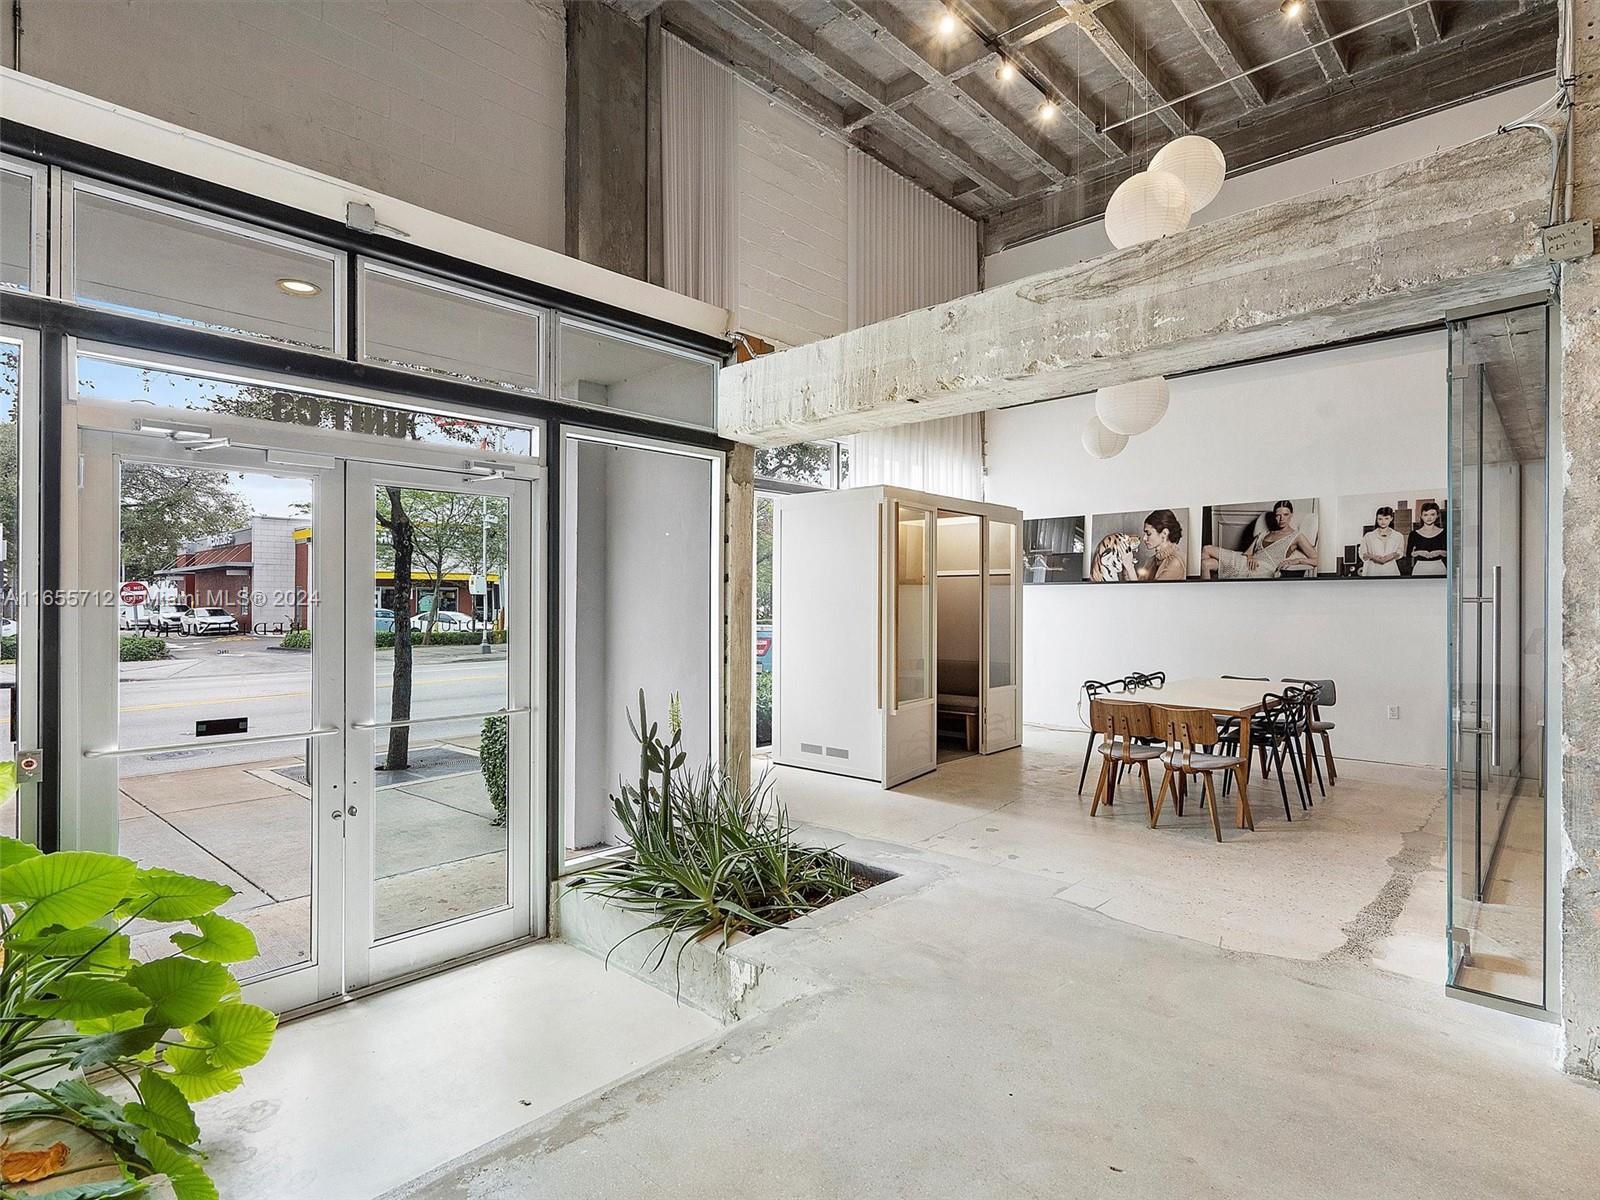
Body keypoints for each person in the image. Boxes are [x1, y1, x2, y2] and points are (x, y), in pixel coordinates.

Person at [1202, 500, 1317, 580]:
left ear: (1291, 515)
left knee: (1207, 550)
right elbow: (1247, 553)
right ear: (1274, 516)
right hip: (1245, 562)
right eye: (1278, 515)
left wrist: (1296, 561)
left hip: (1262, 569)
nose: (1281, 519)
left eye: (1285, 514)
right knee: (1205, 564)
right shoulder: (1264, 534)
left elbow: (1317, 560)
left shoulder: (1296, 536)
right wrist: (1251, 557)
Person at [1359, 506, 1405, 577]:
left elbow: (1400, 552)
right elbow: (1363, 554)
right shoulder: (1368, 536)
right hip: (1372, 571)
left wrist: (1390, 556)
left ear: (1391, 519)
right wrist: (1373, 557)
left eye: (1386, 518)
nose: (1383, 522)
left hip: (1391, 571)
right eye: (1380, 519)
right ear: (1376, 519)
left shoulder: (1398, 536)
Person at [1141, 509, 1186, 581]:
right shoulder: (1151, 561)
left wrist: (1129, 567)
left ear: (1164, 533)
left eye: (1148, 533)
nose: (1144, 538)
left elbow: (1149, 591)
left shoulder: (1175, 562)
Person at [1407, 501, 1446, 577]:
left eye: (1432, 514)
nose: (1429, 518)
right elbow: (1408, 554)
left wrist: (1439, 552)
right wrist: (1419, 552)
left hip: (1438, 567)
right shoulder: (1414, 534)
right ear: (1421, 516)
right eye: (1425, 515)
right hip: (1420, 568)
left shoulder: (1444, 532)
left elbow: (1451, 553)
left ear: (1437, 515)